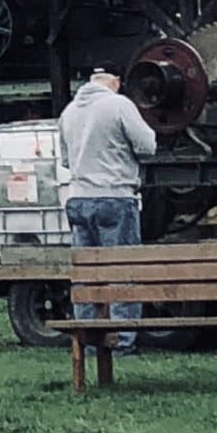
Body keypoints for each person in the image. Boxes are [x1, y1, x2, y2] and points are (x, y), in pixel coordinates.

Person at [58, 68, 159, 355]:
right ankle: (122, 342)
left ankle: (88, 341)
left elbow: (65, 159)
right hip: (115, 197)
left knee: (87, 274)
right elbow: (148, 145)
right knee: (122, 272)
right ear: (115, 82)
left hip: (78, 199)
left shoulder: (69, 111)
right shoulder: (119, 105)